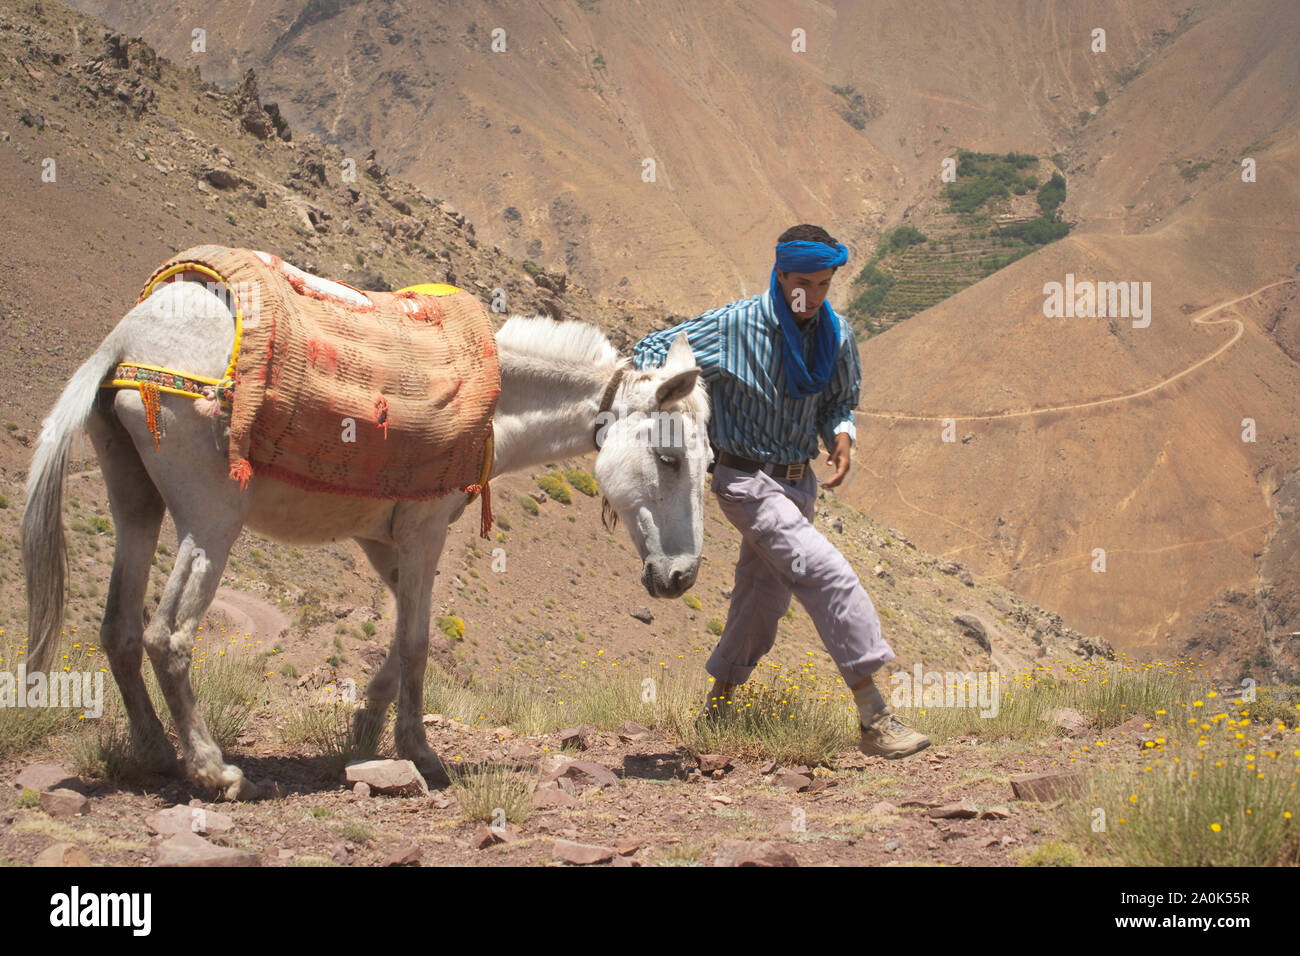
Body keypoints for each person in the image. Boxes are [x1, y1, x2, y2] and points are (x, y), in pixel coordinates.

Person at [631, 224, 930, 759]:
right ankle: (875, 717)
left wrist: (841, 437)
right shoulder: (733, 326)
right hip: (744, 480)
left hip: (798, 484)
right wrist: (677, 411)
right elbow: (651, 348)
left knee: (761, 599)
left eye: (823, 285)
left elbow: (839, 400)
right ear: (780, 273)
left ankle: (717, 711)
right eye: (800, 283)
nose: (810, 297)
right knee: (826, 573)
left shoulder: (835, 335)